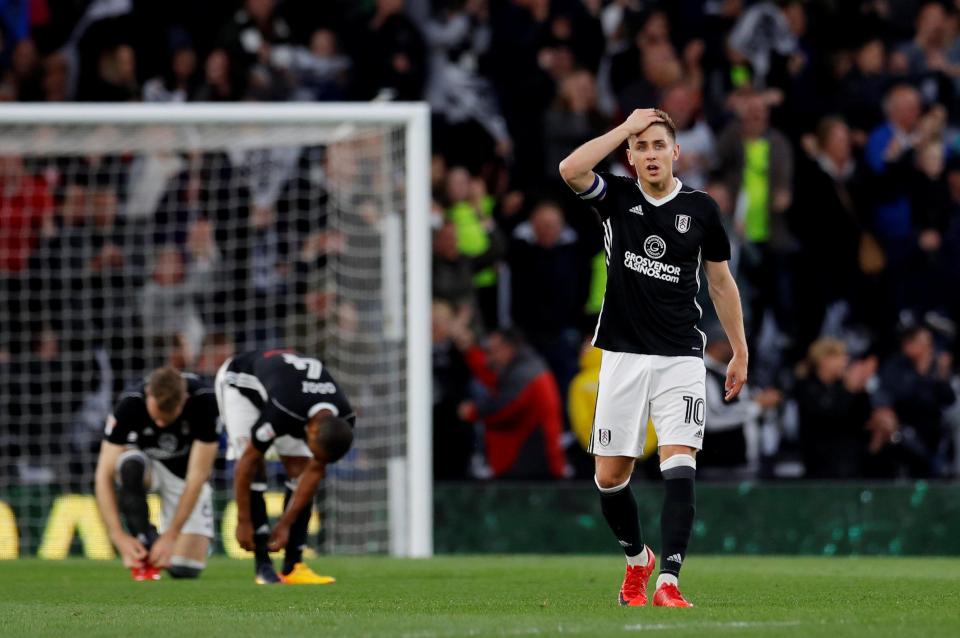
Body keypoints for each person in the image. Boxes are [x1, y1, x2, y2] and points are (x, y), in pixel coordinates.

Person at [559, 108, 747, 607]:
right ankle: (636, 559)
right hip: (621, 355)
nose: (650, 154)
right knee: (609, 478)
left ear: (675, 152)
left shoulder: (702, 208)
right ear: (631, 156)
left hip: (681, 357)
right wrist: (624, 126)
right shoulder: (616, 198)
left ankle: (669, 580)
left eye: (658, 146)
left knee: (679, 459)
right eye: (640, 148)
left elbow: (721, 283)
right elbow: (570, 170)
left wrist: (740, 350)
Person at [215, 349, 355, 584]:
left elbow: (314, 470)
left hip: (288, 388)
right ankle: (263, 566)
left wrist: (284, 524)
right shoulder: (284, 410)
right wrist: (243, 521)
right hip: (240, 383)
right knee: (256, 464)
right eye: (315, 452)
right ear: (310, 430)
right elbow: (245, 464)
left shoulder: (345, 417)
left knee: (300, 467)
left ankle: (293, 566)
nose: (316, 459)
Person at [94, 367, 219, 581]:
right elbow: (103, 475)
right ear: (148, 395)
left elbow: (197, 476)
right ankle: (143, 541)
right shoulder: (130, 403)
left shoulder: (205, 401)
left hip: (184, 476)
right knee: (128, 464)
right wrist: (117, 535)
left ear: (184, 401)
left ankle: (162, 544)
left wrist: (171, 536)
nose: (161, 424)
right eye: (157, 417)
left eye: (168, 418)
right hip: (147, 467)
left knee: (185, 569)